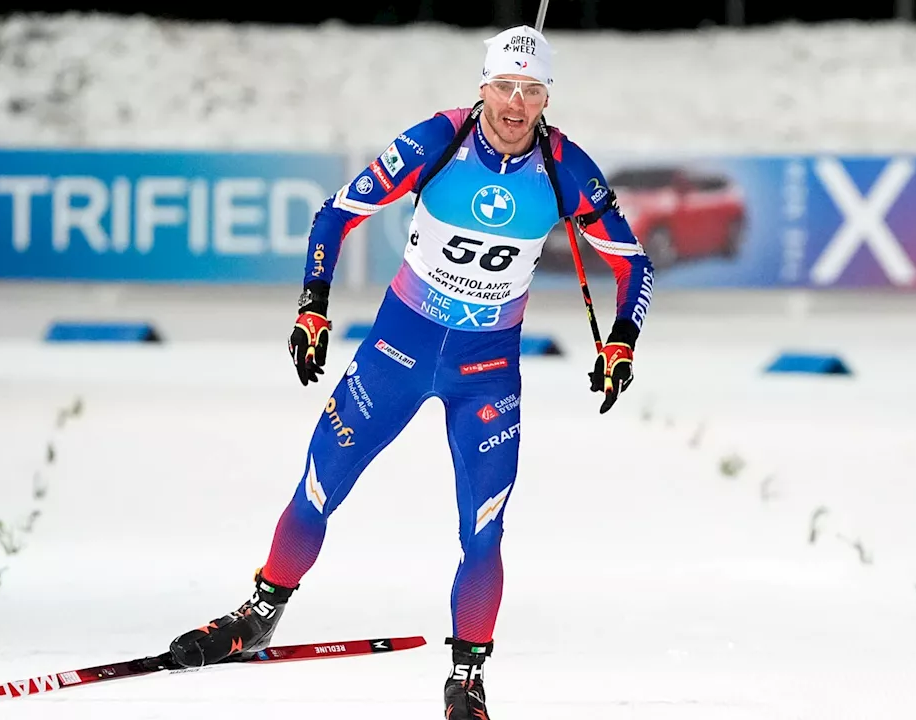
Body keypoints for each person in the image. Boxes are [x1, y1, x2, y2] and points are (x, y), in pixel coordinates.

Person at [168, 24, 655, 720]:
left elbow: (633, 263)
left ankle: (468, 680)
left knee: (484, 529)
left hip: (486, 371)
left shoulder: (565, 167)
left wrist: (622, 342)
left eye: (533, 90)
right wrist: (314, 310)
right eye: (505, 86)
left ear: (548, 96)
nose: (516, 105)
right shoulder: (440, 140)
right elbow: (334, 216)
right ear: (482, 85)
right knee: (318, 485)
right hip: (396, 351)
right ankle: (259, 613)